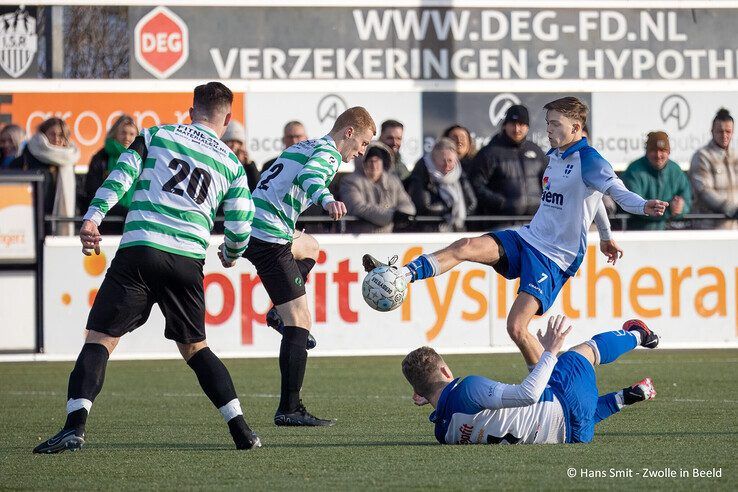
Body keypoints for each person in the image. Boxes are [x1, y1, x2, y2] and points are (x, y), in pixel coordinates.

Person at [32, 82, 261, 453]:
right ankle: (242, 430)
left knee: (100, 339)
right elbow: (240, 224)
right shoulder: (232, 164)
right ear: (227, 118)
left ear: (191, 111)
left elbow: (121, 175)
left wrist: (93, 218)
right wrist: (232, 254)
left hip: (140, 249)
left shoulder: (156, 135)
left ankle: (74, 428)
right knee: (196, 348)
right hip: (186, 260)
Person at [365, 97, 668, 368]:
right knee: (466, 245)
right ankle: (402, 275)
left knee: (517, 328)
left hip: (554, 258)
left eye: (555, 124)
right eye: (548, 123)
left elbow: (613, 190)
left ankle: (547, 394)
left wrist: (643, 206)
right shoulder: (556, 156)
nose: (548, 129)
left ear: (576, 127)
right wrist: (604, 236)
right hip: (528, 237)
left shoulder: (589, 159)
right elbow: (593, 198)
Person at [245, 107, 376, 426]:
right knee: (300, 320)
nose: (362, 151)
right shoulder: (328, 153)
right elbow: (310, 178)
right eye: (363, 143)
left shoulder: (302, 146)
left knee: (311, 247)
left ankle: (277, 311)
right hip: (269, 236)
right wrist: (327, 199)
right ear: (348, 133)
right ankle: (289, 409)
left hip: (257, 225)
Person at [402, 315, 659, 445]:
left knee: (573, 413)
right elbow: (528, 394)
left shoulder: (442, 433)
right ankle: (639, 334)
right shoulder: (467, 388)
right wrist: (550, 350)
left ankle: (627, 397)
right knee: (584, 352)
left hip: (574, 437)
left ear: (418, 395)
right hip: (566, 400)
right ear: (446, 371)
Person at [471, 104, 548, 227]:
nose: (517, 129)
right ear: (505, 125)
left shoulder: (536, 151)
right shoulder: (489, 152)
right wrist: (500, 202)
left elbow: (549, 182)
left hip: (535, 223)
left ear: (527, 127)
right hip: (502, 224)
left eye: (521, 124)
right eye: (513, 124)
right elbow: (476, 185)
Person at [11, 117, 80, 235]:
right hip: (32, 221)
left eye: (61, 135)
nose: (57, 139)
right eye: (52, 134)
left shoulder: (69, 159)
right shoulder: (28, 156)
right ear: (43, 135)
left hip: (61, 223)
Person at [340, 141, 415, 233]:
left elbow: (407, 205)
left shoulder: (393, 181)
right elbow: (358, 207)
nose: (374, 165)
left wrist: (402, 214)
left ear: (384, 162)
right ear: (362, 162)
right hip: (360, 237)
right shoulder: (350, 182)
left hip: (387, 237)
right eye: (370, 161)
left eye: (377, 161)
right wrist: (391, 216)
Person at [621, 131, 692, 230]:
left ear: (669, 152)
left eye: (663, 150)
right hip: (639, 232)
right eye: (654, 150)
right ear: (646, 152)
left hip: (671, 232)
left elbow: (687, 200)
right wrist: (668, 210)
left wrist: (681, 208)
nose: (658, 155)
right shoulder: (634, 171)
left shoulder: (676, 170)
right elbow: (633, 204)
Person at [406, 137, 477, 232]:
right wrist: (450, 208)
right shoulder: (422, 170)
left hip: (457, 229)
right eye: (443, 160)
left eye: (450, 160)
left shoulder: (458, 173)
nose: (447, 165)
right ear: (433, 159)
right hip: (429, 230)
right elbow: (423, 205)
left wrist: (457, 213)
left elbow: (471, 203)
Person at [83, 115, 138, 233]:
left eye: (132, 134)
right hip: (107, 217)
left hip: (135, 218)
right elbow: (92, 189)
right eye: (123, 133)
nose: (127, 138)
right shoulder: (101, 157)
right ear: (115, 133)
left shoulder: (140, 159)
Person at [689, 108, 738, 229]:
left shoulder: (736, 156)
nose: (724, 135)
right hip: (709, 227)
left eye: (728, 131)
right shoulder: (702, 156)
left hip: (733, 228)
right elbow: (704, 191)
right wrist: (732, 209)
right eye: (720, 131)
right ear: (712, 131)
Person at [221, 120, 260, 191]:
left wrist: (249, 165)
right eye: (230, 141)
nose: (234, 146)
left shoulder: (249, 166)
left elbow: (257, 189)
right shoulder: (218, 163)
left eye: (238, 142)